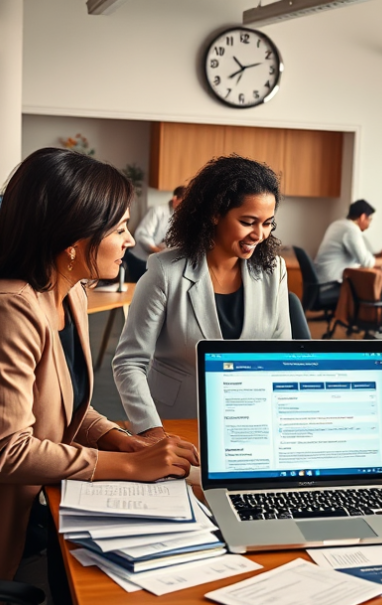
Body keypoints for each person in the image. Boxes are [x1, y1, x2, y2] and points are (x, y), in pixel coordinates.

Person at [0, 148, 198, 605]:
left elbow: (63, 402)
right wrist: (129, 468)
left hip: (37, 502)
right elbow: (5, 451)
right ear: (72, 239)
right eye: (118, 229)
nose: (131, 240)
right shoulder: (6, 308)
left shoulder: (69, 290)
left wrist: (122, 441)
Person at [113, 155, 292, 439]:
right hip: (176, 423)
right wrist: (151, 430)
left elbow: (282, 357)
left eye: (268, 223)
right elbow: (129, 362)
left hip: (249, 424)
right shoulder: (165, 270)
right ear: (215, 214)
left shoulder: (273, 270)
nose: (259, 234)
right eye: (248, 222)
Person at [314, 199, 382, 284]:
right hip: (332, 281)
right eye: (369, 219)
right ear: (362, 217)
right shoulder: (351, 230)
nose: (369, 224)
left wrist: (378, 255)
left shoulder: (338, 224)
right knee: (381, 283)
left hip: (322, 279)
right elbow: (367, 262)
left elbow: (359, 256)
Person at [123, 185, 186, 280]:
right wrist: (157, 250)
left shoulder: (179, 216)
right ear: (175, 199)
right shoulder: (157, 210)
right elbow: (142, 234)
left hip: (158, 261)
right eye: (183, 202)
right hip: (140, 260)